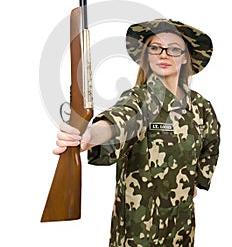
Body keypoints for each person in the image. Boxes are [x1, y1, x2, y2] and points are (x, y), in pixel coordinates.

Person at [54, 19, 220, 247]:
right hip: (138, 232)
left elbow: (211, 141)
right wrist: (92, 134)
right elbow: (122, 120)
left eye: (173, 49)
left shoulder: (201, 107)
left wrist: (197, 179)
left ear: (184, 57)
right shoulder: (140, 99)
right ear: (147, 57)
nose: (164, 54)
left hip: (181, 229)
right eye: (155, 48)